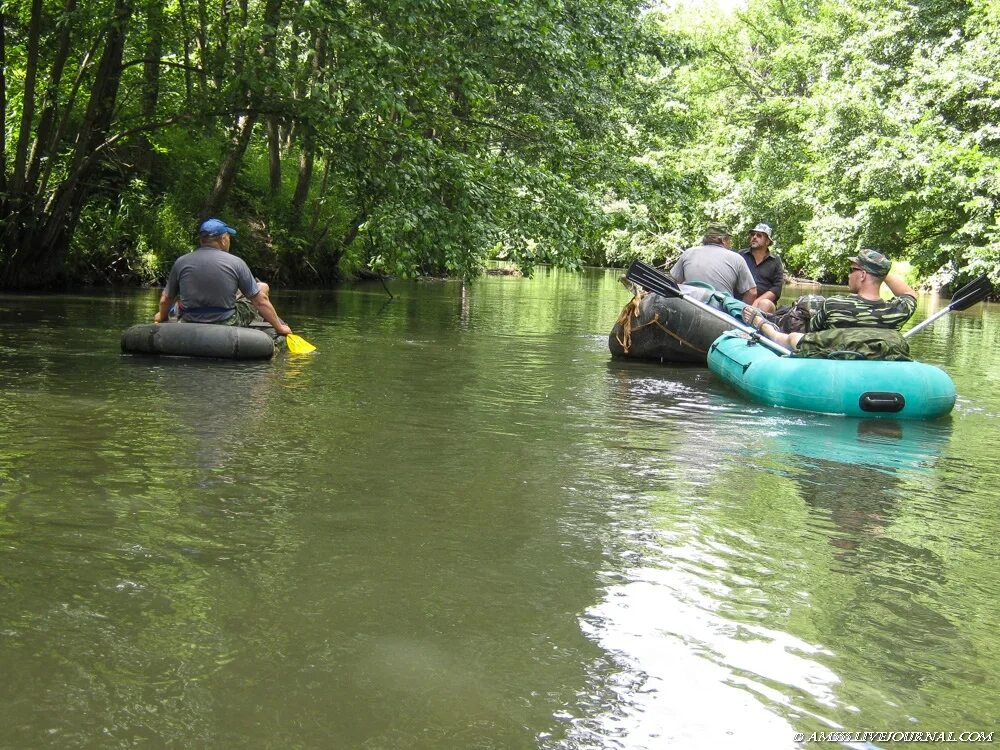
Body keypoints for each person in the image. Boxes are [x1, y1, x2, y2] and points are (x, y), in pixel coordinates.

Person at [742, 248, 916, 358]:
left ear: (862, 275)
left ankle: (762, 324)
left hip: (831, 352)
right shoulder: (898, 311)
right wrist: (881, 271)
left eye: (852, 270)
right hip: (871, 350)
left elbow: (809, 331)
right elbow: (909, 294)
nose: (848, 275)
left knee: (794, 337)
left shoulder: (834, 304)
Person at [154, 218, 292, 336]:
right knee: (262, 287)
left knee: (179, 302)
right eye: (229, 237)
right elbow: (260, 301)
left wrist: (161, 317)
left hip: (189, 320)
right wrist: (279, 327)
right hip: (227, 321)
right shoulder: (236, 262)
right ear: (223, 240)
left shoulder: (181, 262)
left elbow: (165, 299)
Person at [670, 223, 758, 303]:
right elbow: (752, 292)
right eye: (729, 239)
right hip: (718, 311)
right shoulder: (737, 258)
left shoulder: (688, 252)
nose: (730, 242)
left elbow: (673, 281)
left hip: (688, 304)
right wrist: (739, 312)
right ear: (724, 240)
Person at [739, 223, 784, 313]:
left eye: (759, 235)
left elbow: (776, 289)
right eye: (752, 234)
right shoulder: (740, 255)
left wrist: (756, 302)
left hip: (763, 306)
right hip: (740, 301)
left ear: (767, 241)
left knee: (765, 304)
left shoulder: (775, 261)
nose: (754, 237)